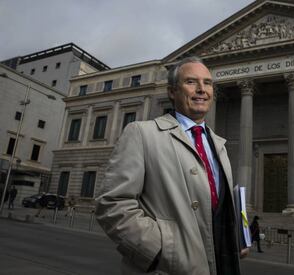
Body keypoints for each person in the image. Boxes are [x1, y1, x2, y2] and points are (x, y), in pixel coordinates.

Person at [96, 56, 248, 275]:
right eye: (191, 82)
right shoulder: (141, 133)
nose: (201, 89)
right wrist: (159, 250)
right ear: (171, 92)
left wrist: (236, 236)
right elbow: (111, 203)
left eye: (207, 83)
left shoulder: (219, 146)